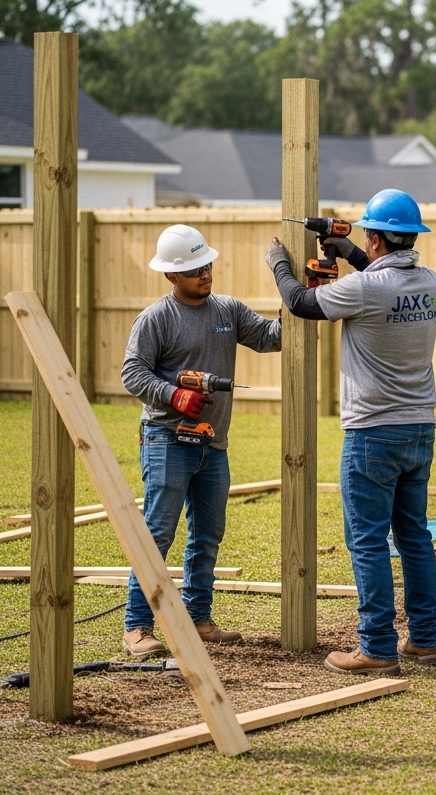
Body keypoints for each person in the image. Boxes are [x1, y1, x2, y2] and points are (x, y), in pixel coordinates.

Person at [265, 189, 436, 676]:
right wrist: (344, 250)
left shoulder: (365, 290)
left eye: (367, 234)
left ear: (379, 237)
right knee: (414, 536)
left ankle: (377, 647)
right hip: (419, 428)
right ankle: (425, 640)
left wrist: (278, 262)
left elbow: (301, 303)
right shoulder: (430, 282)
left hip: (372, 432)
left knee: (366, 540)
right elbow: (379, 274)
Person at [121, 224, 282, 656]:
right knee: (157, 533)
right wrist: (174, 394)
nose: (204, 273)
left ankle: (197, 617)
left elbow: (271, 338)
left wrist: (298, 303)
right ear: (172, 276)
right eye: (194, 269)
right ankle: (137, 626)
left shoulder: (227, 310)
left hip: (213, 442)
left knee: (208, 534)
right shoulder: (156, 319)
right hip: (166, 439)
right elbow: (132, 373)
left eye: (206, 264)